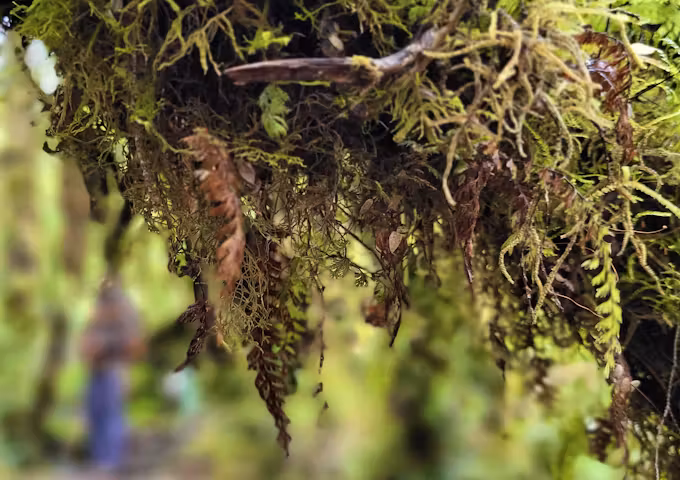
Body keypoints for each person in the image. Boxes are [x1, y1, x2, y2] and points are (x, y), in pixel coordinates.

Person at [79, 272, 145, 475]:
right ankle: (100, 461)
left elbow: (133, 343)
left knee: (111, 415)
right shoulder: (98, 310)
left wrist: (105, 346)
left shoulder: (125, 310)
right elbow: (86, 337)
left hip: (114, 369)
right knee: (94, 413)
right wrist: (89, 348)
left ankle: (111, 462)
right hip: (95, 370)